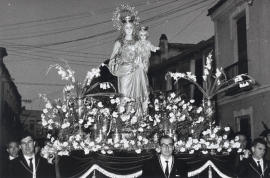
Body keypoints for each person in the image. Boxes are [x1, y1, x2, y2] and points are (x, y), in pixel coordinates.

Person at [109, 7, 149, 116]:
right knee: (124, 95)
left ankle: (138, 117)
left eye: (131, 27)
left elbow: (143, 57)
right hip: (124, 71)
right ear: (123, 29)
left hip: (136, 71)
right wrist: (121, 61)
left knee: (137, 96)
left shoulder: (137, 42)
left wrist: (142, 60)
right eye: (127, 27)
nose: (129, 29)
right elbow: (112, 59)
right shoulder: (119, 43)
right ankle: (123, 118)